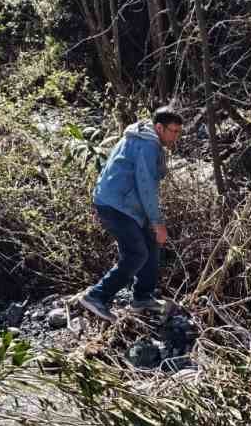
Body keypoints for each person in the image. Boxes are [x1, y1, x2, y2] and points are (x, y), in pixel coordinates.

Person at [77, 105, 184, 320]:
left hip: (124, 203)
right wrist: (157, 221)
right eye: (173, 131)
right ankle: (97, 296)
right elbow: (146, 186)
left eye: (179, 131)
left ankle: (142, 297)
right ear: (159, 128)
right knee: (137, 253)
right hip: (116, 205)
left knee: (152, 243)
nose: (176, 136)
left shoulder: (139, 134)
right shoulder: (148, 145)